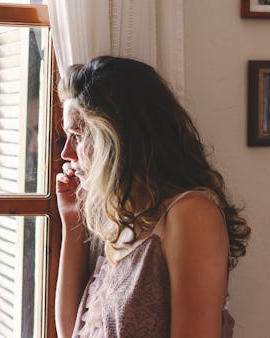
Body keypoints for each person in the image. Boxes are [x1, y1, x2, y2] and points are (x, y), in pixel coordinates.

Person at [55, 56, 251, 338]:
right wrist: (72, 216)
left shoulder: (191, 214)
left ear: (116, 136)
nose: (66, 155)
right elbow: (71, 332)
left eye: (76, 136)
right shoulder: (124, 219)